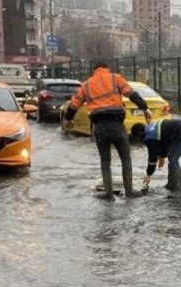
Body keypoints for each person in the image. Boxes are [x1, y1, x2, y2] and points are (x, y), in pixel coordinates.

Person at [63, 62, 152, 199]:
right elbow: (131, 94)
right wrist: (144, 107)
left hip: (99, 127)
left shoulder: (86, 85)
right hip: (117, 124)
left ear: (94, 70)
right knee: (126, 159)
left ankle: (108, 193)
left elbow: (74, 104)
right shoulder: (115, 78)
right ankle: (129, 191)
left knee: (105, 161)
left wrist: (68, 119)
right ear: (107, 68)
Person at [131, 119, 181, 198]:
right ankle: (172, 184)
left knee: (173, 159)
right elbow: (165, 141)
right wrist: (162, 156)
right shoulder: (150, 129)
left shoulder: (150, 137)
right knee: (171, 156)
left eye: (137, 138)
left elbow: (152, 158)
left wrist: (148, 174)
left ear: (139, 133)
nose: (139, 140)